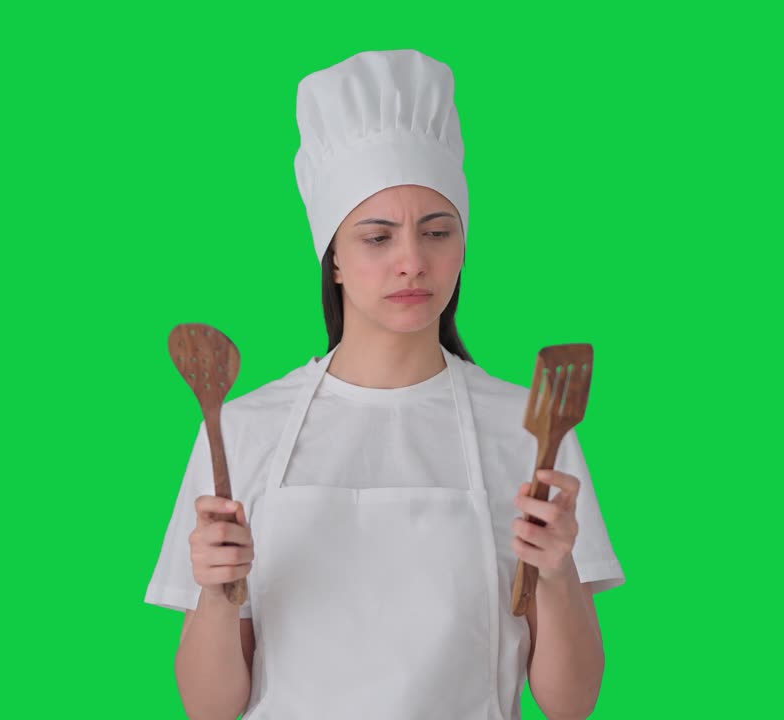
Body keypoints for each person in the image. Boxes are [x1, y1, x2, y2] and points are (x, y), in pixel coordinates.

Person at [144, 48, 626, 720]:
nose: (412, 262)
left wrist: (556, 570)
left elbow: (570, 704)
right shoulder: (244, 429)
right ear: (333, 257)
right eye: (377, 238)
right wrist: (219, 590)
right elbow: (208, 708)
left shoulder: (531, 430)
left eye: (437, 232)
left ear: (462, 246)